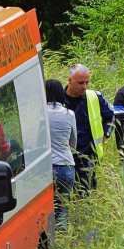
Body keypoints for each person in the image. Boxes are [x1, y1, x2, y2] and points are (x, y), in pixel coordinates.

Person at [64, 64, 114, 196]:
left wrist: (106, 134)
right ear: (70, 80)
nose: (84, 86)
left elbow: (112, 115)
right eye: (80, 83)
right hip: (63, 157)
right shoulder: (57, 100)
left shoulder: (94, 97)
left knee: (85, 196)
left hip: (87, 155)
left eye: (87, 82)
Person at [46, 79, 77, 230]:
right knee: (62, 206)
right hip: (66, 164)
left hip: (46, 167)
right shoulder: (69, 113)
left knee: (47, 207)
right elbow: (74, 141)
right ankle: (62, 239)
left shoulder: (41, 113)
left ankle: (48, 242)